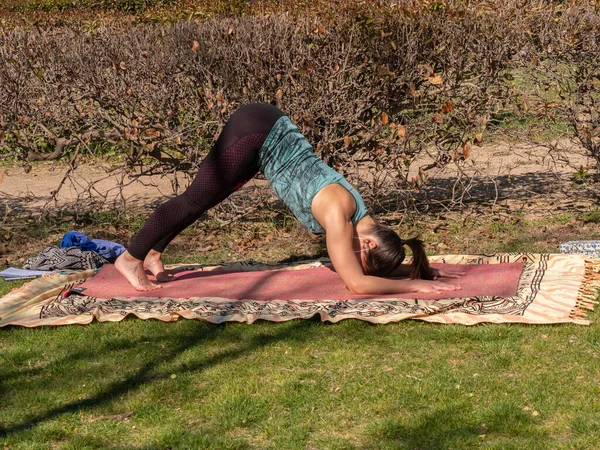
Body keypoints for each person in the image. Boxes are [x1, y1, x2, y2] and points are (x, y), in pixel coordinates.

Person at [115, 103, 463, 293]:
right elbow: (357, 284)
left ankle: (154, 253)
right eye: (363, 258)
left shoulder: (363, 219)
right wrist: (412, 286)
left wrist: (415, 271)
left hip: (266, 136)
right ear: (369, 246)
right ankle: (131, 258)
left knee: (206, 198)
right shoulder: (339, 215)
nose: (354, 261)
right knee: (194, 199)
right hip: (257, 131)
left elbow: (368, 269)